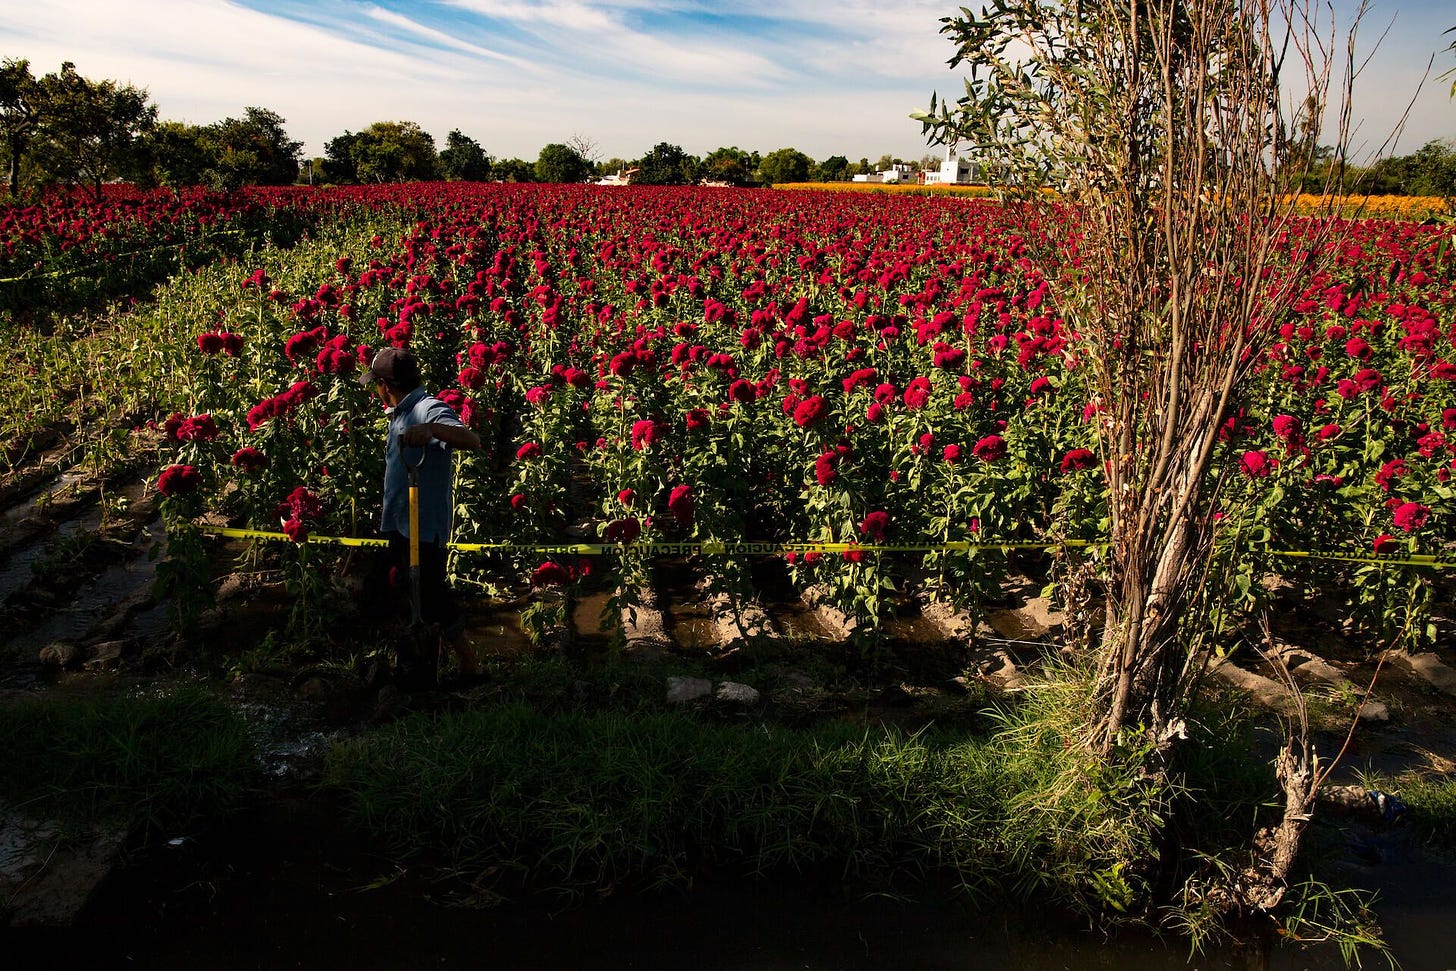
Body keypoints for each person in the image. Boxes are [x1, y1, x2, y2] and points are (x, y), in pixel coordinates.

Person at [359, 347, 481, 683]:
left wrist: (434, 431)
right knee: (389, 589)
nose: (376, 390)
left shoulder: (429, 409)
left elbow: (471, 439)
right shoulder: (398, 413)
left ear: (386, 384)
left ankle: (467, 665)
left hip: (423, 525)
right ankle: (407, 657)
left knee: (432, 596)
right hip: (400, 521)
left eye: (377, 384)